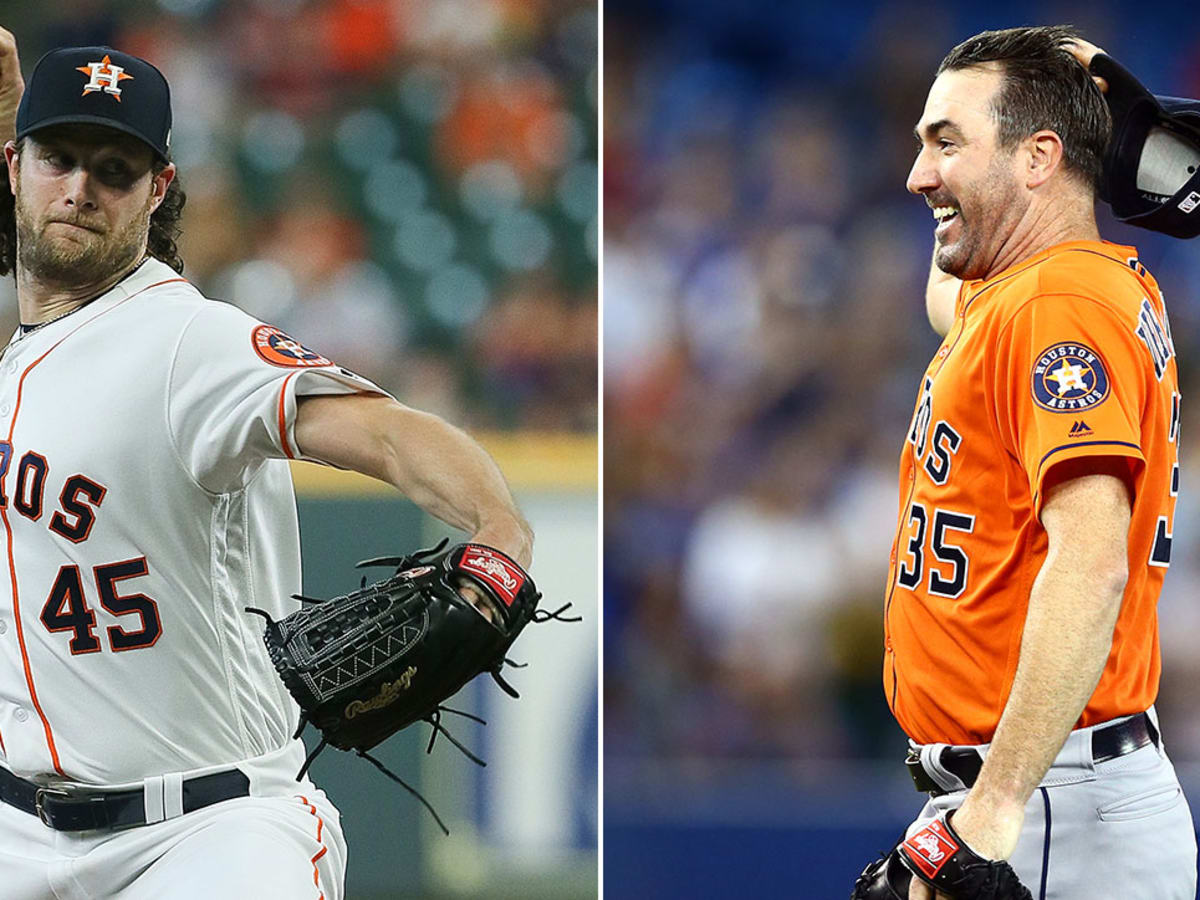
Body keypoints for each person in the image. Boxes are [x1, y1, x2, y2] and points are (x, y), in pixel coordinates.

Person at [0, 36, 532, 900]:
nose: (81, 188)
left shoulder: (186, 342)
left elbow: (391, 434)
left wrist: (502, 527)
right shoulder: (23, 356)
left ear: (158, 190)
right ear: (17, 165)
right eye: (59, 159)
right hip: (21, 829)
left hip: (206, 834)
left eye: (114, 169)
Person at [889, 25, 1196, 899]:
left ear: (1037, 158)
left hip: (1044, 799)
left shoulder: (1059, 303)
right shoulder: (1031, 294)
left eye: (946, 142)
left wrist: (991, 815)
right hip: (1038, 788)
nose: (918, 173)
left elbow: (1092, 565)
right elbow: (949, 292)